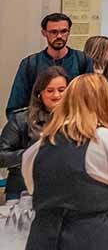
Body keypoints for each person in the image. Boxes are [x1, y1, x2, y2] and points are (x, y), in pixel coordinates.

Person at [22, 74, 108, 250]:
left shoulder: (35, 150)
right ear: (106, 102)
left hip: (44, 240)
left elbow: (39, 193)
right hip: (97, 238)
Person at [0, 66, 67, 200]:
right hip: (23, 190)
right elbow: (2, 156)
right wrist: (34, 153)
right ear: (39, 93)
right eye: (50, 91)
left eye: (61, 90)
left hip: (63, 190)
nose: (56, 95)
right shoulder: (21, 119)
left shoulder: (76, 119)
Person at [7, 13, 94, 116]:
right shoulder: (30, 64)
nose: (59, 36)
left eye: (63, 31)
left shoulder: (82, 60)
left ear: (69, 32)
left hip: (73, 124)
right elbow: (15, 107)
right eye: (53, 32)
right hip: (38, 125)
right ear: (44, 33)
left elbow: (91, 100)